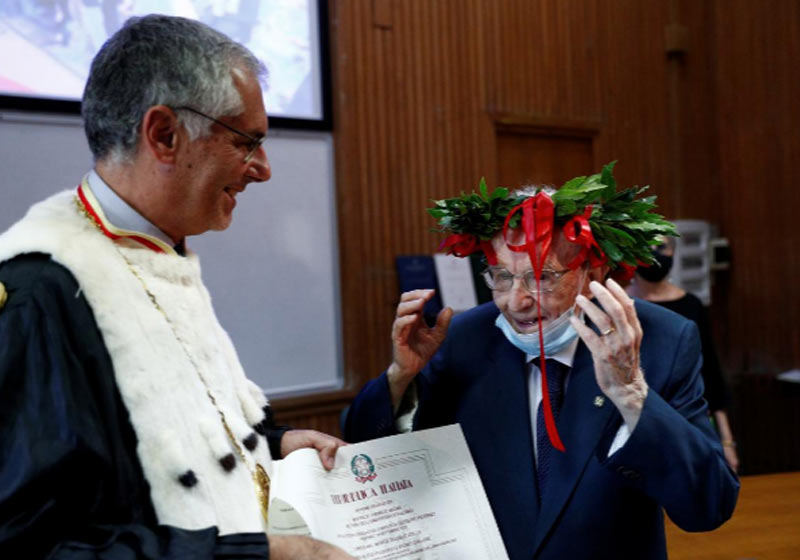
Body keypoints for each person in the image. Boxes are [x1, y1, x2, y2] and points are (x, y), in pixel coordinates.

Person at [0, 15, 353, 560]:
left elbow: (154, 439)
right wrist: (264, 555)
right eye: (246, 142)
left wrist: (274, 444)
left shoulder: (156, 249)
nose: (262, 169)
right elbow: (35, 546)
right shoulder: (42, 291)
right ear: (164, 135)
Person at [344, 166, 739, 560]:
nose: (516, 301)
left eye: (542, 278)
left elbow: (709, 506)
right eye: (501, 277)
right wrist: (401, 377)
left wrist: (632, 395)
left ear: (592, 273)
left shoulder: (662, 340)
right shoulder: (464, 338)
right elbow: (365, 456)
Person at [627, 236, 739, 472]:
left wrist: (726, 440)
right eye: (646, 247)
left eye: (661, 247)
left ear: (674, 251)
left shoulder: (691, 305)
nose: (655, 253)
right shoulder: (621, 304)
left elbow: (710, 370)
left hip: (685, 414)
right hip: (635, 415)